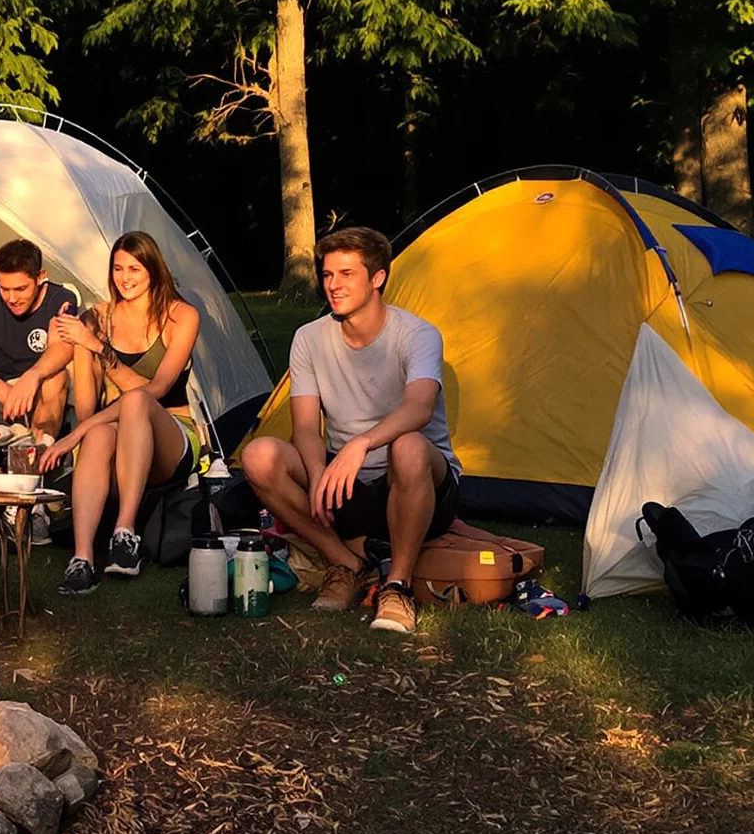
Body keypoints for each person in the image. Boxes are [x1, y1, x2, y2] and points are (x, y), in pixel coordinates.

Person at [238, 225, 459, 635]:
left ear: (378, 279)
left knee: (408, 446)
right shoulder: (308, 338)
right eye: (327, 275)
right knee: (258, 455)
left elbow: (419, 407)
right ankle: (344, 563)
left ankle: (397, 587)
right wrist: (319, 471)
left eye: (346, 274)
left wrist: (362, 443)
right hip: (345, 483)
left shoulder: (417, 334)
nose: (333, 286)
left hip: (415, 480)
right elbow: (305, 426)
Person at [40, 231, 201, 592]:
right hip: (113, 431)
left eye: (135, 269)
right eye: (118, 269)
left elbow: (155, 391)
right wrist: (82, 348)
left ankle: (125, 533)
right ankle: (82, 559)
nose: (125, 278)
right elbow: (86, 407)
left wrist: (97, 347)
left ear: (154, 271)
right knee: (97, 432)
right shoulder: (97, 317)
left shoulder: (181, 316)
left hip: (172, 433)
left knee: (136, 401)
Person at [0, 238, 79, 439]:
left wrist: (32, 376)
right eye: (5, 289)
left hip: (39, 389)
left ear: (40, 277)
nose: (12, 298)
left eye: (21, 289)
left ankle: (38, 448)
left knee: (57, 378)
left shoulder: (61, 298)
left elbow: (61, 347)